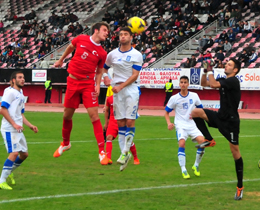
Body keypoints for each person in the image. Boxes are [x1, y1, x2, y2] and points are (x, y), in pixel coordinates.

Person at [52, 22, 111, 165]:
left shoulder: (103, 53)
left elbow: (99, 71)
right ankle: (65, 143)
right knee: (67, 115)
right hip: (72, 81)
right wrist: (61, 60)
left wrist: (97, 84)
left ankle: (101, 153)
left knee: (94, 116)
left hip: (87, 84)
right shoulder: (81, 39)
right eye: (104, 30)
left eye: (108, 31)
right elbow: (70, 47)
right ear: (96, 30)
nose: (107, 33)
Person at [191, 58, 244, 200]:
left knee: (235, 153)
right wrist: (204, 70)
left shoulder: (233, 81)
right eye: (226, 63)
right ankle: (208, 139)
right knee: (195, 112)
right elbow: (204, 83)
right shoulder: (224, 79)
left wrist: (209, 70)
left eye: (229, 65)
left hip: (231, 122)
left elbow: (213, 83)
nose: (226, 65)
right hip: (220, 116)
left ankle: (240, 186)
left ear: (235, 70)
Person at [103, 27, 143, 171]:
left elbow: (134, 75)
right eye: (121, 34)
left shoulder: (136, 54)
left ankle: (125, 152)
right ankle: (124, 154)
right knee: (120, 122)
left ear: (131, 37)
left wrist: (121, 87)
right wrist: (106, 78)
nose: (123, 36)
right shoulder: (112, 54)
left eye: (126, 34)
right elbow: (104, 68)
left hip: (131, 89)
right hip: (116, 90)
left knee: (130, 121)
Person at [164, 76, 213, 179]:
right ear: (179, 84)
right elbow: (166, 112)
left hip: (192, 125)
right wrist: (169, 123)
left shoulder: (194, 96)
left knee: (202, 143)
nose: (183, 84)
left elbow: (201, 110)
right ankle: (184, 170)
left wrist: (201, 116)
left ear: (188, 84)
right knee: (182, 143)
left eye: (185, 82)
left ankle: (196, 165)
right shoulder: (174, 98)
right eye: (181, 82)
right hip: (180, 125)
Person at [0, 71, 38, 190]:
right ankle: (1, 181)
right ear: (13, 80)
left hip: (18, 129)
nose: (23, 79)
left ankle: (9, 171)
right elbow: (2, 109)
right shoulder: (10, 92)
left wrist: (30, 125)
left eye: (23, 77)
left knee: (24, 154)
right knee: (14, 153)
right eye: (20, 77)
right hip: (9, 128)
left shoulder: (20, 93)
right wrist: (14, 124)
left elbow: (20, 114)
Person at [104, 95, 140, 165]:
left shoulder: (125, 98)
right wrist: (106, 123)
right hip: (112, 122)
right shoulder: (109, 99)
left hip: (123, 121)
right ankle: (108, 158)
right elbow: (106, 111)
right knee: (109, 137)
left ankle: (135, 158)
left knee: (129, 141)